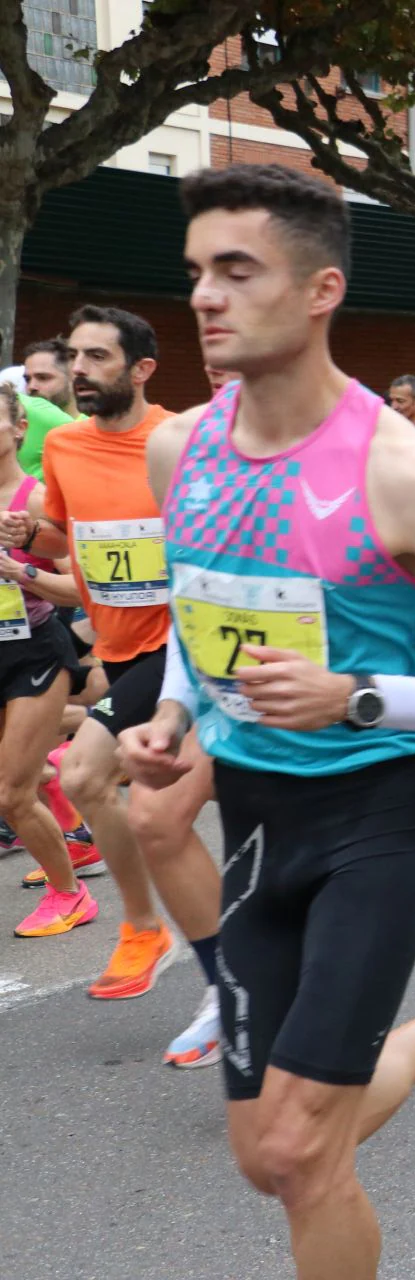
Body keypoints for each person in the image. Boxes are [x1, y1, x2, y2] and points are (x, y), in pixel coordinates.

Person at [124, 162, 415, 1278]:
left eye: (237, 270)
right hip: (252, 817)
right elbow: (211, 620)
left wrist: (360, 696)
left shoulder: (402, 473)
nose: (205, 296)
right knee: (269, 1155)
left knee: (302, 1143)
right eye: (197, 272)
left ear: (319, 291)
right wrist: (172, 712)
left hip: (375, 818)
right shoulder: (177, 448)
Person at [0, 305, 206, 1002]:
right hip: (116, 646)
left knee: (86, 776)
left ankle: (144, 926)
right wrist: (30, 534)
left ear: (142, 369)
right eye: (74, 358)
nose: (79, 372)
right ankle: (225, 960)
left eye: (97, 358)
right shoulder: (65, 448)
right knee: (170, 812)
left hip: (179, 643)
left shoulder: (176, 439)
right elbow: (63, 538)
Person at [0, 381, 93, 937]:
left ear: (18, 428)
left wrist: (22, 569)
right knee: (20, 784)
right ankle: (74, 832)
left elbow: (81, 587)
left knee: (10, 792)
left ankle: (70, 894)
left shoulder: (33, 501)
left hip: (33, 649)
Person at [17, 339, 79, 478]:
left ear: (73, 378)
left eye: (43, 378)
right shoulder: (14, 419)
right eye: (27, 379)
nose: (32, 386)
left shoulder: (91, 427)